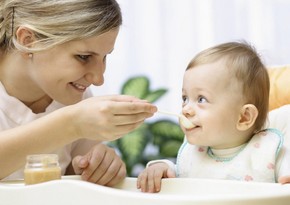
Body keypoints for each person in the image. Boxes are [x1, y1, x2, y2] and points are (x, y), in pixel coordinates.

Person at [0, 0, 157, 186]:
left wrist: (98, 166)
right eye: (84, 57)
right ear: (28, 41)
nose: (98, 79)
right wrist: (70, 124)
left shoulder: (73, 96)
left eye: (105, 57)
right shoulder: (73, 112)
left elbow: (71, 178)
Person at [137, 41, 290, 193]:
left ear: (244, 117)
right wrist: (163, 168)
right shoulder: (193, 153)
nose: (186, 109)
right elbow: (180, 175)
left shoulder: (270, 153)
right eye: (185, 98)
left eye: (201, 99)